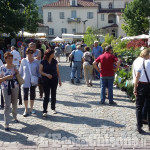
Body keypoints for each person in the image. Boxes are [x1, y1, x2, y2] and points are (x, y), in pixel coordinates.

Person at [0, 52, 19, 131]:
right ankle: (6, 124)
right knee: (7, 105)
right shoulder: (2, 68)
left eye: (11, 58)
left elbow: (18, 75)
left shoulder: (14, 66)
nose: (10, 59)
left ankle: (14, 116)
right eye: (8, 58)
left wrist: (17, 72)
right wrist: (6, 77)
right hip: (5, 87)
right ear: (5, 59)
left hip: (14, 86)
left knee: (14, 103)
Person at [39, 49, 62, 117]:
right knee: (46, 95)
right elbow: (40, 71)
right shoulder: (43, 62)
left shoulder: (55, 61)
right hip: (46, 80)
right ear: (49, 54)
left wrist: (60, 80)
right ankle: (45, 110)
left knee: (53, 94)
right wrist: (46, 75)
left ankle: (53, 108)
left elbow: (57, 71)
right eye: (52, 53)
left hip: (54, 80)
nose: (54, 54)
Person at [133, 49, 150, 134]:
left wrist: (135, 87)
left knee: (139, 107)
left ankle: (139, 126)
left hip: (142, 86)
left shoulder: (142, 63)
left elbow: (137, 76)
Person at [19, 48, 39, 117]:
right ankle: (26, 109)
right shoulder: (23, 61)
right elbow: (20, 72)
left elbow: (38, 72)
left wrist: (38, 80)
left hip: (33, 81)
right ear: (26, 53)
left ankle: (31, 109)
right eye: (28, 53)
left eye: (31, 53)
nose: (29, 54)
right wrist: (20, 81)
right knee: (25, 95)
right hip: (25, 81)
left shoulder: (36, 61)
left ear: (33, 53)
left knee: (32, 95)